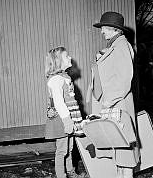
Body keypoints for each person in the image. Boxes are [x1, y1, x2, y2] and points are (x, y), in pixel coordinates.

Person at [88, 11, 140, 178]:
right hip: (115, 104)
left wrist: (108, 102)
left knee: (125, 150)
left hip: (118, 104)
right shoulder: (114, 45)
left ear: (113, 29)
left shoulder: (121, 46)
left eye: (103, 28)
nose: (102, 31)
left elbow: (125, 79)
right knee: (118, 149)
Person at [44, 46, 83, 178]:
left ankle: (70, 170)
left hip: (68, 117)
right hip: (62, 119)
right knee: (62, 150)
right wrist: (67, 121)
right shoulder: (56, 79)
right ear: (58, 62)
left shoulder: (64, 77)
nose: (70, 57)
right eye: (66, 56)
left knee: (69, 148)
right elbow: (59, 103)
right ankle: (61, 175)